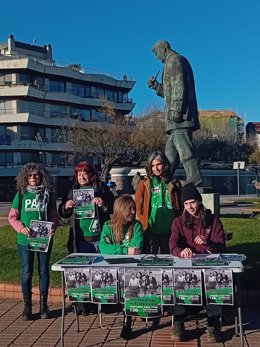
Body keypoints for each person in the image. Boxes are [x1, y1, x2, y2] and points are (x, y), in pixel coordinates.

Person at [169, 183, 226, 342]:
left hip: (209, 266)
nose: (190, 206)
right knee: (175, 282)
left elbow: (221, 247)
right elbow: (173, 245)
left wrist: (207, 244)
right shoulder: (178, 222)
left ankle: (213, 323)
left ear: (199, 201)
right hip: (186, 266)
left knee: (215, 283)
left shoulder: (213, 220)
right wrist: (181, 251)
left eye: (193, 202)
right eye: (186, 204)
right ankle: (178, 320)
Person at [147, 40, 203, 186]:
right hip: (176, 118)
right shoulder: (172, 62)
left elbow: (179, 86)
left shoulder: (175, 61)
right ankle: (164, 180)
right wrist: (156, 87)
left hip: (180, 116)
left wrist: (176, 109)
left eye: (157, 53)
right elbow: (170, 92)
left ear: (164, 49)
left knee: (185, 149)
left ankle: (195, 177)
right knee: (170, 154)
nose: (157, 57)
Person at [8, 163, 59, 321]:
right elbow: (12, 217)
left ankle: (44, 306)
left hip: (44, 239)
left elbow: (54, 216)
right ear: (25, 177)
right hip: (25, 240)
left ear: (41, 176)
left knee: (43, 271)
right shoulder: (21, 194)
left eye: (36, 175)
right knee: (27, 272)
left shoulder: (48, 193)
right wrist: (21, 228)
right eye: (29, 175)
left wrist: (53, 228)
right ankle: (27, 307)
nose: (33, 178)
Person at [99, 194, 143, 340]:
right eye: (129, 209)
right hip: (113, 268)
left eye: (133, 208)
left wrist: (116, 249)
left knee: (130, 283)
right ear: (120, 209)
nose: (132, 211)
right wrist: (124, 250)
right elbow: (103, 248)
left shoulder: (136, 226)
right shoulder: (108, 226)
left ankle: (127, 321)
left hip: (131, 268)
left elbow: (136, 249)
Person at [58, 161, 114, 254]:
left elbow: (114, 207)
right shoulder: (71, 191)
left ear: (91, 174)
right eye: (79, 175)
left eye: (84, 174)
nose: (81, 177)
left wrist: (103, 203)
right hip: (80, 239)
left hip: (100, 238)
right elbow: (62, 212)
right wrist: (66, 207)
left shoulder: (101, 188)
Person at [135, 150, 182, 254]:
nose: (155, 168)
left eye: (159, 164)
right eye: (152, 165)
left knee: (170, 262)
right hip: (150, 231)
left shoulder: (175, 183)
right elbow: (138, 207)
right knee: (150, 262)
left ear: (165, 164)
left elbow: (180, 207)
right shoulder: (144, 184)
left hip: (170, 232)